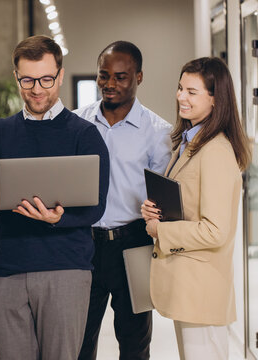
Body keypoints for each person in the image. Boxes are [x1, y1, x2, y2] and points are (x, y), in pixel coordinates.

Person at [0, 35, 110, 360]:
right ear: (16, 77)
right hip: (9, 271)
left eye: (46, 79)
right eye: (28, 80)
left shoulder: (84, 134)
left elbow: (96, 204)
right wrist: (15, 185)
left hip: (67, 270)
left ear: (60, 75)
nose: (37, 88)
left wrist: (59, 218)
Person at [141, 57, 250, 360]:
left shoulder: (215, 151)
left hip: (201, 291)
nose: (180, 97)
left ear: (216, 100)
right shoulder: (191, 143)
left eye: (192, 92)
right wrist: (154, 210)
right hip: (189, 287)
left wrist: (160, 230)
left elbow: (215, 231)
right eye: (180, 89)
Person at [74, 41, 172, 360]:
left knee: (134, 342)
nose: (110, 84)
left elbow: (161, 201)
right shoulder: (78, 124)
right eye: (104, 76)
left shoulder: (158, 133)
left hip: (135, 243)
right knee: (78, 339)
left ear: (139, 77)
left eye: (120, 76)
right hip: (85, 244)